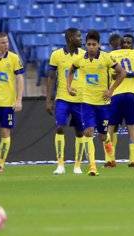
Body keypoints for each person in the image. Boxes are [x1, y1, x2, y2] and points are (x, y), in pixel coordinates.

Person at [67, 30, 126, 176]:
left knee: (103, 136)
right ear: (85, 45)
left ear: (99, 44)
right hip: (87, 102)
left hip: (103, 103)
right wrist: (69, 87)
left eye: (94, 44)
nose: (91, 47)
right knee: (88, 132)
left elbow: (122, 73)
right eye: (89, 44)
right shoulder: (81, 59)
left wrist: (111, 90)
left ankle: (110, 157)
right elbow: (71, 69)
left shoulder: (106, 58)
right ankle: (92, 167)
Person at [46, 28, 86, 175]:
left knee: (80, 131)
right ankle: (60, 164)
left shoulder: (84, 55)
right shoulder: (56, 55)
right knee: (59, 127)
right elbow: (51, 77)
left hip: (80, 99)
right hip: (62, 98)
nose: (81, 39)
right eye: (78, 36)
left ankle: (77, 165)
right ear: (70, 38)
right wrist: (48, 100)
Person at [0, 32, 24, 172]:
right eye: (3, 42)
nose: (6, 45)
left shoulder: (13, 58)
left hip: (8, 103)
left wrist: (19, 100)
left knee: (5, 134)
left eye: (7, 42)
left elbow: (20, 79)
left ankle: (1, 162)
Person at [107, 34, 134, 168]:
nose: (127, 44)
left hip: (132, 96)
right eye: (125, 42)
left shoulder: (112, 55)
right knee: (122, 127)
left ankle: (132, 159)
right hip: (128, 95)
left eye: (129, 42)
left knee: (129, 127)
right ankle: (112, 159)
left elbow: (113, 74)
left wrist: (123, 73)